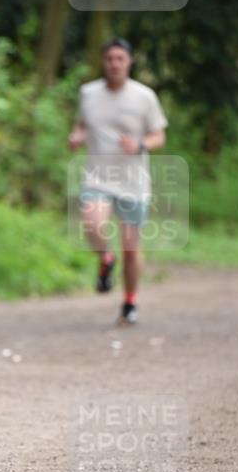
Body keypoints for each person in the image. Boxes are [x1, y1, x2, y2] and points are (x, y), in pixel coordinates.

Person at [68, 38, 167, 325]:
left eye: (120, 58)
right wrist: (77, 136)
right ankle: (105, 258)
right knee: (92, 220)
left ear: (129, 62)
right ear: (103, 61)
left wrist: (140, 144)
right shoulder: (88, 93)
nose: (114, 63)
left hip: (134, 182)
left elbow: (159, 136)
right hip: (98, 176)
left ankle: (129, 302)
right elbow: (83, 124)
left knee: (132, 249)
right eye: (109, 58)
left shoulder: (144, 96)